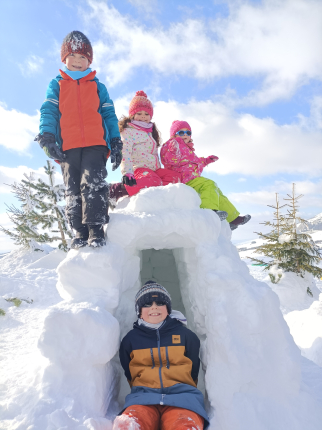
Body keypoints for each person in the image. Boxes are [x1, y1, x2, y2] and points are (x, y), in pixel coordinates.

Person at [35, 31, 122, 248]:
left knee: (93, 183)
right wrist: (47, 136)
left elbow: (110, 116)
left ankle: (95, 229)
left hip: (96, 144)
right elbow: (49, 111)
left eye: (83, 57)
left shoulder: (98, 86)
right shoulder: (57, 84)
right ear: (64, 58)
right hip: (68, 145)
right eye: (72, 55)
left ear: (89, 61)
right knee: (73, 188)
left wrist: (115, 141)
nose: (77, 60)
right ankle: (80, 232)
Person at [113, 280, 209, 430]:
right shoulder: (131, 339)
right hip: (143, 398)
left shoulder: (185, 335)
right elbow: (129, 370)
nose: (154, 307)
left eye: (160, 303)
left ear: (168, 308)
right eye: (147, 304)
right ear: (139, 310)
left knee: (184, 425)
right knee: (129, 424)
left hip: (183, 398)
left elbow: (193, 367)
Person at [161, 120, 251, 230]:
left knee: (217, 191)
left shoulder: (188, 149)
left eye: (188, 133)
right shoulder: (171, 145)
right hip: (181, 178)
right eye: (181, 132)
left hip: (191, 178)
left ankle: (232, 219)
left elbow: (195, 163)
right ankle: (209, 212)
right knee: (209, 184)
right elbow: (170, 160)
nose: (185, 135)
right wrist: (173, 150)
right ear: (174, 134)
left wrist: (207, 160)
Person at [108, 91, 181, 206]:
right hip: (140, 169)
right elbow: (125, 151)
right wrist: (127, 173)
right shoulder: (129, 131)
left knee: (175, 177)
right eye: (139, 113)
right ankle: (116, 190)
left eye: (146, 114)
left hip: (155, 170)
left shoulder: (150, 132)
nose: (143, 116)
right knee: (154, 180)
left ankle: (160, 196)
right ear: (132, 115)